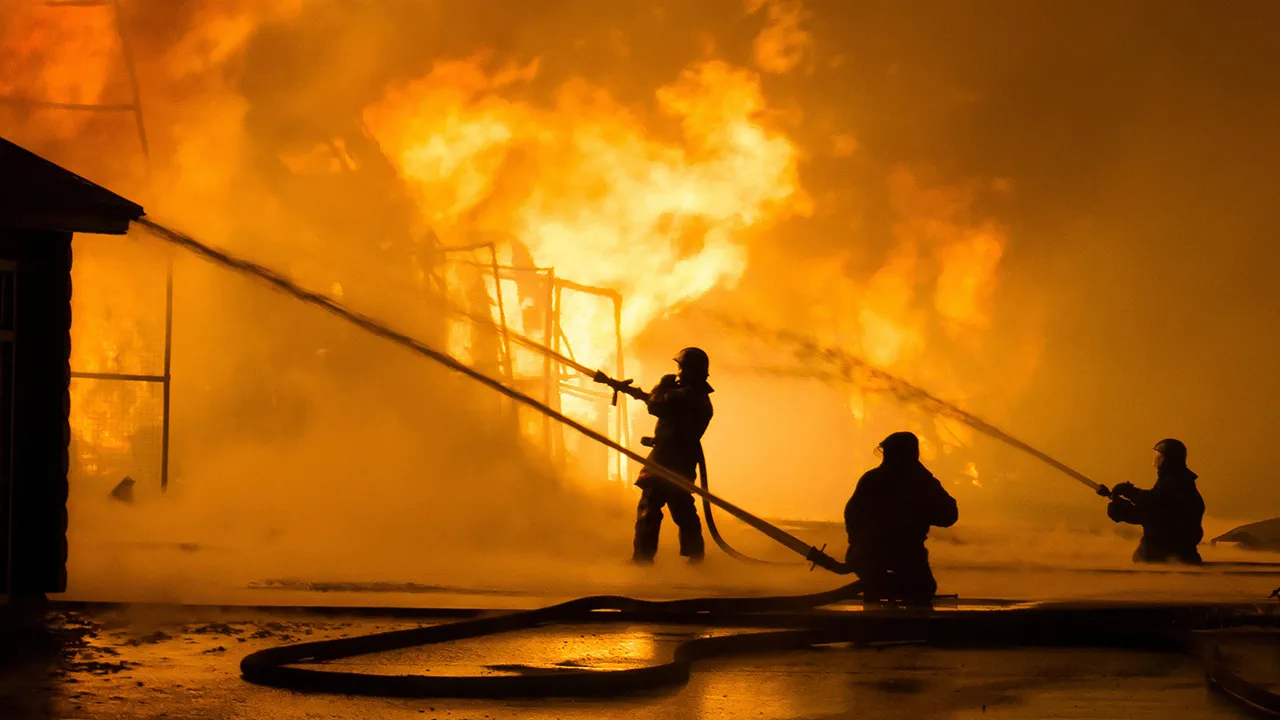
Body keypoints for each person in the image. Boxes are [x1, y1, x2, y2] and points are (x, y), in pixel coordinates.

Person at [844, 432, 958, 604]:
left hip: (869, 554)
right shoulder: (921, 483)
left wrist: (856, 544)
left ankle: (880, 591)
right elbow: (949, 515)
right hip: (898, 553)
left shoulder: (872, 479)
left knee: (888, 585)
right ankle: (890, 593)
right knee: (923, 589)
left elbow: (851, 514)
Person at [627, 347, 714, 565]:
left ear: (689, 371)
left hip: (666, 460)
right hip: (682, 460)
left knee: (650, 506)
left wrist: (661, 385)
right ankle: (696, 556)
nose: (677, 372)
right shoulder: (698, 397)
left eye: (680, 368)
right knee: (682, 507)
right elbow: (676, 424)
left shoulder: (685, 396)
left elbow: (657, 405)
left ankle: (642, 559)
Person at [1099, 438, 1204, 564]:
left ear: (1169, 460)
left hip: (1164, 553)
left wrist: (1130, 494)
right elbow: (1155, 514)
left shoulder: (1176, 483)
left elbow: (1154, 507)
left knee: (1142, 556)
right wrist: (1125, 509)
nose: (1156, 461)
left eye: (1160, 457)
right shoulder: (1180, 482)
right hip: (1176, 552)